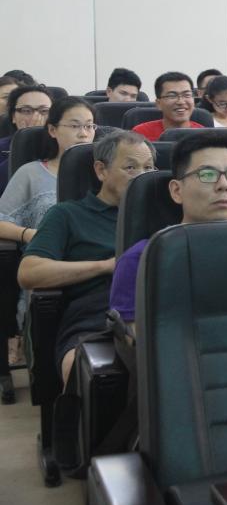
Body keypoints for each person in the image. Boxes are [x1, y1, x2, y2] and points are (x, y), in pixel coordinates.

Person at [19, 130, 156, 383]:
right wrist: (106, 266)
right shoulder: (67, 215)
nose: (142, 176)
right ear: (101, 170)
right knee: (78, 367)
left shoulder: (163, 215)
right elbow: (29, 272)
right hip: (96, 315)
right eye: (131, 167)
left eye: (149, 168)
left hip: (156, 308)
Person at [0, 97, 97, 403]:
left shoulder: (104, 172)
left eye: (90, 126)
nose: (84, 133)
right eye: (75, 125)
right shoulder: (31, 172)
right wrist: (30, 234)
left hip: (99, 268)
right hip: (50, 271)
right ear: (53, 130)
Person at [109, 133, 227, 325]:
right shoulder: (144, 258)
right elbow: (131, 336)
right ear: (176, 191)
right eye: (207, 174)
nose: (224, 185)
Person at [0, 85, 53, 193]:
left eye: (44, 111)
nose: (35, 117)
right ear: (13, 117)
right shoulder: (1, 147)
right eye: (27, 111)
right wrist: (27, 140)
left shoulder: (62, 145)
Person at [132, 72, 204, 142]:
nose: (181, 102)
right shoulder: (140, 134)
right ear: (159, 104)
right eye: (172, 96)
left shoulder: (203, 134)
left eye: (187, 95)